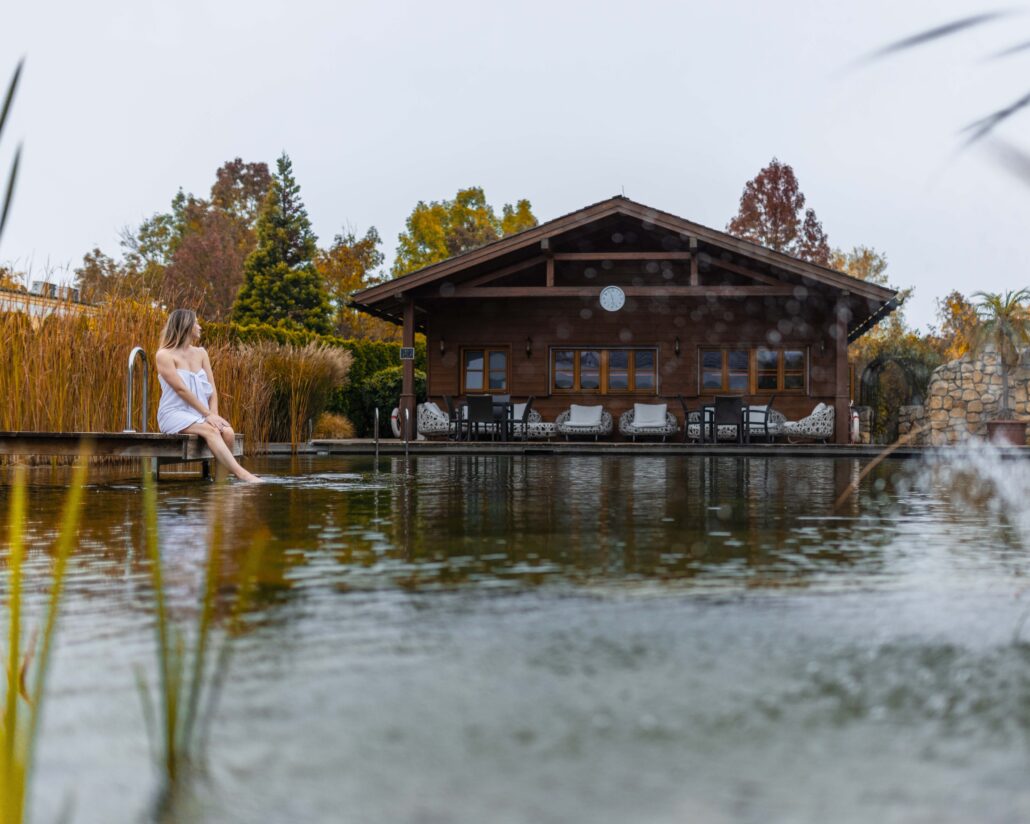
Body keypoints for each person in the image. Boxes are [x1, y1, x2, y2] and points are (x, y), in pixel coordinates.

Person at [155, 309, 262, 483]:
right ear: (186, 326)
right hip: (174, 413)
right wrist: (207, 415)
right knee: (210, 430)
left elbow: (212, 388)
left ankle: (221, 480)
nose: (200, 326)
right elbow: (181, 390)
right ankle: (242, 474)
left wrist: (214, 414)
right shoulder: (164, 355)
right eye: (196, 323)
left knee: (227, 432)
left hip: (201, 413)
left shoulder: (201, 353)